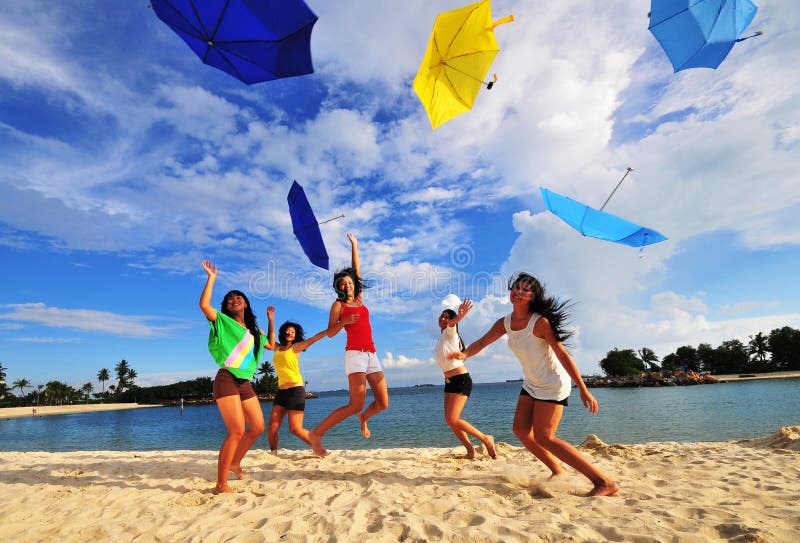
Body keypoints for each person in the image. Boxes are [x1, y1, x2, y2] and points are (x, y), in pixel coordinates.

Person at [450, 273, 619, 496]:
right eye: (516, 288)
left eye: (525, 290)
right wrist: (464, 354)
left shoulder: (540, 322)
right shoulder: (505, 323)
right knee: (520, 430)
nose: (518, 292)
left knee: (545, 437)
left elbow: (562, 354)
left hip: (552, 384)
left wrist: (583, 388)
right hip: (532, 383)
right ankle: (557, 470)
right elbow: (482, 341)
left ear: (532, 297)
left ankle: (604, 482)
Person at [308, 232, 389, 457]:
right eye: (343, 283)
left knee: (383, 403)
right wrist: (344, 321)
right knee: (355, 404)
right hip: (355, 355)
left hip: (372, 354)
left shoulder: (360, 299)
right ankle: (316, 434)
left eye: (350, 281)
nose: (348, 285)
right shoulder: (338, 305)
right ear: (339, 287)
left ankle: (364, 418)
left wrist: (355, 245)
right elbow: (331, 333)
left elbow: (356, 268)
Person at [199, 260, 275, 494]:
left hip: (244, 382)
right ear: (227, 306)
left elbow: (271, 344)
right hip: (226, 379)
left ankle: (234, 462)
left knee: (258, 427)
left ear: (245, 303)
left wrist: (271, 321)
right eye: (230, 298)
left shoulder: (253, 330)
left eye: (238, 297)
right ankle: (221, 484)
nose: (234, 299)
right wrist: (211, 278)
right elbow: (204, 305)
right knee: (236, 430)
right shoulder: (222, 322)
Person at [435, 299, 496, 459]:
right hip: (449, 382)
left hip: (460, 379)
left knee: (452, 418)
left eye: (446, 316)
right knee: (450, 421)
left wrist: (460, 315)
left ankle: (485, 439)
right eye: (441, 316)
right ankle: (470, 451)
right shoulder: (442, 338)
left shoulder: (450, 332)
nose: (443, 318)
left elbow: (453, 324)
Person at [267, 319, 334, 453]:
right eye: (288, 330)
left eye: (293, 331)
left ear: (295, 335)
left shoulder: (296, 347)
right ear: (283, 332)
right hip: (281, 392)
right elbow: (265, 337)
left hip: (295, 391)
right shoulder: (277, 347)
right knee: (272, 428)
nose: (290, 332)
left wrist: (330, 329)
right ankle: (273, 454)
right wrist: (271, 319)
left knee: (295, 428)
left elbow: (314, 338)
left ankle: (319, 448)